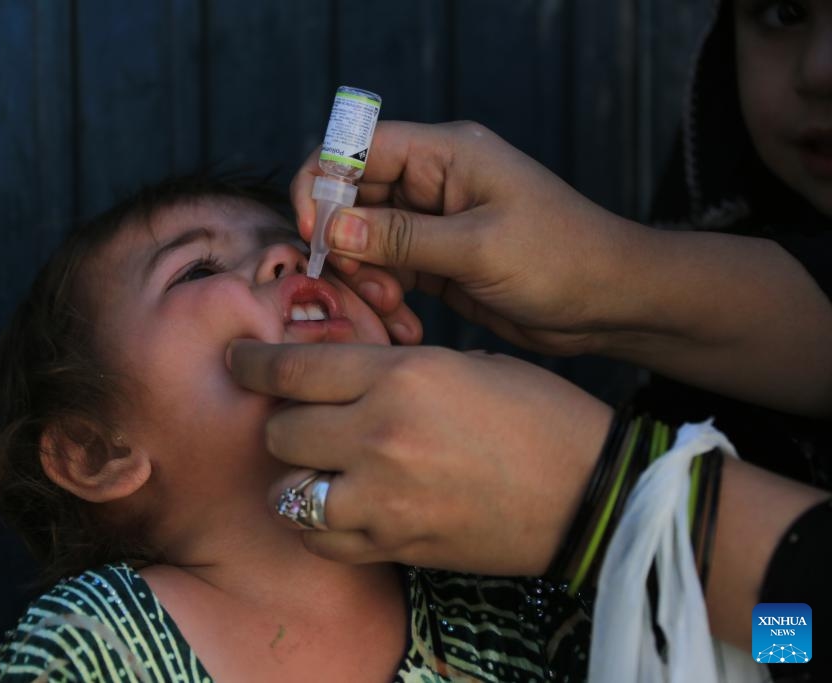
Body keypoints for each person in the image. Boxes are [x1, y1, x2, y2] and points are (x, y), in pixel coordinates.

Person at [227, 0, 831, 678]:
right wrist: (614, 283)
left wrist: (604, 504)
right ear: (92, 450)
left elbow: (789, 646)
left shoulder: (529, 600)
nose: (820, 67)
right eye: (781, 10)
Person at [0, 174, 597, 682]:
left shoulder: (497, 587)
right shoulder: (93, 644)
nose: (290, 257)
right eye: (197, 269)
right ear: (96, 451)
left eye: (299, 246)